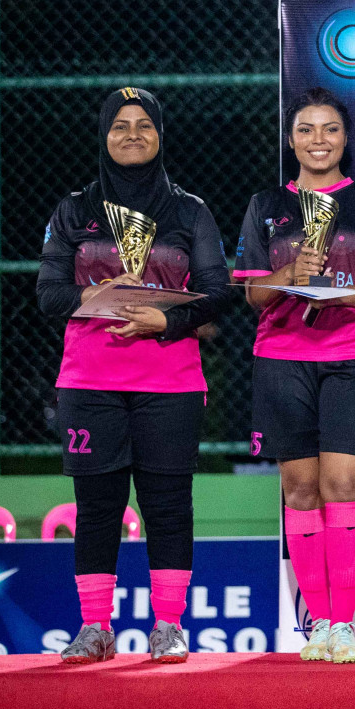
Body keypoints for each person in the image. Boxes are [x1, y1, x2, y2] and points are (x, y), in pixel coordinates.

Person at [36, 86, 237, 664]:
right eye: (119, 125)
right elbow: (48, 294)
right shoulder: (74, 210)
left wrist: (167, 320)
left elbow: (219, 290)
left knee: (168, 503)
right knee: (97, 506)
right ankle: (95, 627)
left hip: (169, 381)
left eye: (143, 125)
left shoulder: (188, 210)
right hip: (90, 381)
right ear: (104, 135)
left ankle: (168, 626)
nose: (131, 135)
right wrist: (89, 295)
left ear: (160, 135)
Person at [233, 88, 355, 664]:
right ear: (291, 139)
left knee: (343, 488)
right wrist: (290, 271)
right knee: (301, 490)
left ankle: (341, 626)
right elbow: (254, 295)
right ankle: (317, 629)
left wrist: (336, 292)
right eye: (306, 129)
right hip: (283, 358)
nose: (318, 140)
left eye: (330, 129)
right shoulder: (265, 205)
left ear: (345, 139)